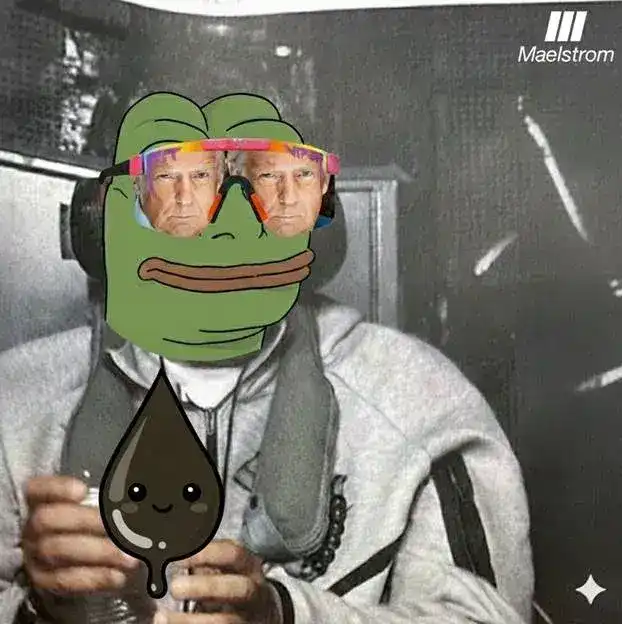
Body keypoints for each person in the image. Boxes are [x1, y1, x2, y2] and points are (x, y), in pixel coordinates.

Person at [0, 91, 533, 623]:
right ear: (105, 222)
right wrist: (39, 610)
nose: (227, 228)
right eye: (177, 183)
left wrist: (284, 615)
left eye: (262, 184)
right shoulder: (15, 403)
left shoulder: (421, 400)